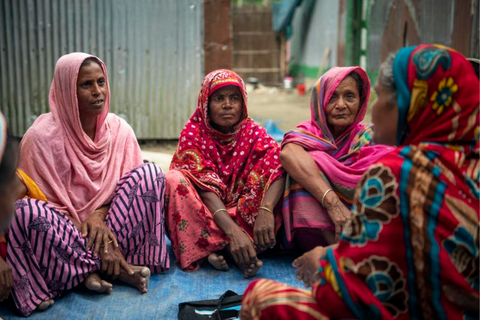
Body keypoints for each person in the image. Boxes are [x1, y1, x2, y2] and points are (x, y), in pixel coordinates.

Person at [241, 44, 479, 319]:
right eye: (333, 98)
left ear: (406, 105)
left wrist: (324, 262)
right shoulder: (470, 165)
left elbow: (348, 293)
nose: (372, 108)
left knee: (258, 298)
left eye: (381, 96)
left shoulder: (396, 174)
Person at [8, 53, 170, 316]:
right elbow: (41, 204)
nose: (98, 92)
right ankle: (117, 268)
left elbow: (127, 193)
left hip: (112, 230)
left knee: (151, 174)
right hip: (64, 237)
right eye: (86, 85)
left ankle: (85, 271)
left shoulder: (119, 131)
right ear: (66, 90)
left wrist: (98, 215)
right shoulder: (38, 138)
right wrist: (94, 239)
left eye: (101, 82)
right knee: (23, 211)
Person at [166, 69, 285, 277]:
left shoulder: (252, 133)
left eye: (234, 98)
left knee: (281, 160)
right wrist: (232, 232)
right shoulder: (192, 133)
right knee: (173, 180)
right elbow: (204, 192)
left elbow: (278, 162)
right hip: (205, 212)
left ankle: (215, 248)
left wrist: (265, 209)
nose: (227, 105)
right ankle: (229, 248)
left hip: (241, 213)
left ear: (243, 104)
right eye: (219, 98)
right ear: (206, 104)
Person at [280, 67, 393, 251]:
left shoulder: (370, 135)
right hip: (314, 236)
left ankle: (354, 248)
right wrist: (333, 203)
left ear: (361, 101)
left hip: (364, 232)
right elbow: (288, 154)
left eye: (349, 97)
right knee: (307, 164)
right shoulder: (306, 134)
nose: (341, 105)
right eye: (332, 96)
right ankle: (344, 252)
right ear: (320, 101)